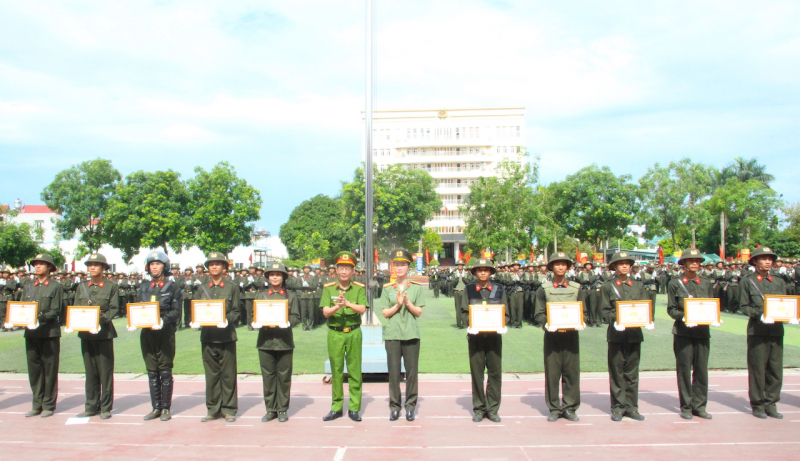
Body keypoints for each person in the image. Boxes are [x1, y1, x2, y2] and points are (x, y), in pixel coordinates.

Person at [739, 246, 795, 419]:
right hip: (757, 330)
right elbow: (743, 306)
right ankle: (758, 404)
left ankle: (771, 403)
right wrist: (760, 315)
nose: (768, 261)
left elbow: (783, 303)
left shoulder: (778, 281)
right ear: (755, 261)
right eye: (763, 258)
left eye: (770, 258)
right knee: (758, 368)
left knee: (775, 369)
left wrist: (790, 315)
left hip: (776, 330)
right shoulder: (748, 281)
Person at [600, 251, 652, 422]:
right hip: (616, 334)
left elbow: (644, 306)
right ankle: (617, 407)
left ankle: (632, 407)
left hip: (635, 334)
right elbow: (604, 310)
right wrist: (616, 320)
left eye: (627, 263)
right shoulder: (608, 286)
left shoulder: (638, 285)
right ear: (614, 266)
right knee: (616, 373)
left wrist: (648, 319)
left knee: (632, 373)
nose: (624, 266)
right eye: (620, 263)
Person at [534, 252, 586, 422]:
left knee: (572, 372)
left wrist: (581, 321)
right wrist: (546, 324)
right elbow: (539, 313)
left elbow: (583, 311)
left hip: (571, 335)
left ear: (568, 267)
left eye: (564, 264)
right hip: (552, 336)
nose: (561, 267)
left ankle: (570, 407)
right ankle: (554, 408)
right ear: (551, 267)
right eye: (557, 264)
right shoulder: (544, 289)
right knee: (553, 373)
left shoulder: (577, 288)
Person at [189, 252, 240, 422]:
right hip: (208, 336)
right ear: (207, 268)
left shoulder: (231, 287)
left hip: (226, 336)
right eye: (211, 264)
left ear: (224, 267)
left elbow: (236, 312)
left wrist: (226, 320)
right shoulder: (201, 288)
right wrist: (194, 321)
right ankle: (213, 409)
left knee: (228, 374)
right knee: (211, 375)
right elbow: (195, 309)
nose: (214, 266)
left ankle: (229, 409)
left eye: (218, 264)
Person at [132, 251, 182, 421]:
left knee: (165, 371)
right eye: (152, 264)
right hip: (147, 333)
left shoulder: (172, 287)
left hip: (165, 332)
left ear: (165, 266)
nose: (154, 267)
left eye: (158, 264)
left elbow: (176, 311)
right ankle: (155, 407)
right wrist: (133, 321)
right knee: (152, 371)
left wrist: (163, 320)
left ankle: (166, 408)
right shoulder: (144, 287)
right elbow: (138, 308)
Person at [11, 254, 63, 417]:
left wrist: (38, 318)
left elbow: (56, 310)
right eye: (36, 264)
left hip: (49, 333)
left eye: (42, 264)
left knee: (49, 368)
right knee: (34, 369)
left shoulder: (55, 286)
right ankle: (36, 403)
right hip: (31, 333)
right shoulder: (28, 286)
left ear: (49, 267)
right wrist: (15, 319)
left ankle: (48, 405)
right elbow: (22, 307)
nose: (38, 266)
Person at [667, 249, 715, 420]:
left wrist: (714, 317)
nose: (695, 263)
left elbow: (710, 304)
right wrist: (685, 317)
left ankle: (700, 406)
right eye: (691, 260)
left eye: (697, 260)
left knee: (701, 370)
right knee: (684, 370)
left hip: (702, 332)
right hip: (683, 333)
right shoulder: (675, 283)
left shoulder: (706, 283)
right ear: (684, 264)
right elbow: (671, 309)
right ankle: (686, 406)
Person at [320, 251, 367, 422]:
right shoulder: (329, 288)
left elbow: (362, 309)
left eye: (348, 268)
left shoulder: (359, 288)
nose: (344, 271)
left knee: (354, 370)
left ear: (353, 270)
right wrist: (337, 308)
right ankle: (336, 407)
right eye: (341, 268)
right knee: (337, 371)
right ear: (336, 270)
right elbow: (326, 312)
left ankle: (354, 408)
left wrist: (347, 303)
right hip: (335, 333)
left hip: (353, 332)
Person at [72, 253, 119, 419]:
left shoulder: (110, 286)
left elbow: (114, 308)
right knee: (90, 371)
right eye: (90, 265)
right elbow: (77, 307)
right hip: (86, 334)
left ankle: (105, 407)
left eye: (96, 265)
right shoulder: (82, 286)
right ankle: (91, 405)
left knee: (105, 371)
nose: (92, 267)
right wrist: (74, 323)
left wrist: (101, 321)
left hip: (103, 333)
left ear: (103, 268)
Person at [380, 249, 424, 421]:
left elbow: (418, 312)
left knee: (412, 372)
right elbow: (385, 313)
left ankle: (410, 406)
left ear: (408, 267)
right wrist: (398, 305)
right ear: (393, 267)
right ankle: (395, 406)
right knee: (394, 372)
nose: (399, 268)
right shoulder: (387, 289)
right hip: (393, 335)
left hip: (411, 334)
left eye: (403, 265)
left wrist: (407, 302)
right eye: (396, 264)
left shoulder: (416, 288)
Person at [465, 258, 507, 423]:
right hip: (475, 338)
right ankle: (479, 408)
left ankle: (493, 409)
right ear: (475, 272)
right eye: (479, 270)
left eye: (486, 269)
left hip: (494, 338)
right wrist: (471, 324)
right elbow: (463, 313)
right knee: (477, 374)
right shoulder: (469, 290)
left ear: (491, 272)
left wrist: (502, 324)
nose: (483, 272)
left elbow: (506, 313)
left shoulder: (499, 289)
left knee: (495, 373)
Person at [252, 262, 295, 423]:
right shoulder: (261, 295)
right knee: (268, 377)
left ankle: (282, 408)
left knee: (284, 377)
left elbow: (296, 316)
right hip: (265, 341)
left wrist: (287, 322)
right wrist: (255, 322)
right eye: (272, 274)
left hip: (284, 341)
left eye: (278, 274)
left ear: (283, 277)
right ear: (268, 277)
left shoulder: (290, 296)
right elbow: (253, 316)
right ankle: (270, 409)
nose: (275, 277)